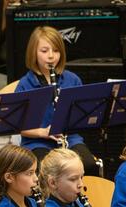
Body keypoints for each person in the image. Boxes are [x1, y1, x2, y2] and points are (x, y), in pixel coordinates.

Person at [15, 26, 99, 177]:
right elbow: (17, 125)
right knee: (47, 170)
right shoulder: (25, 84)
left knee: (88, 164)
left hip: (70, 138)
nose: (51, 56)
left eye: (56, 51)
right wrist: (43, 132)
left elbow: (82, 115)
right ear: (33, 53)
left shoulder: (72, 80)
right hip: (36, 142)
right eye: (44, 51)